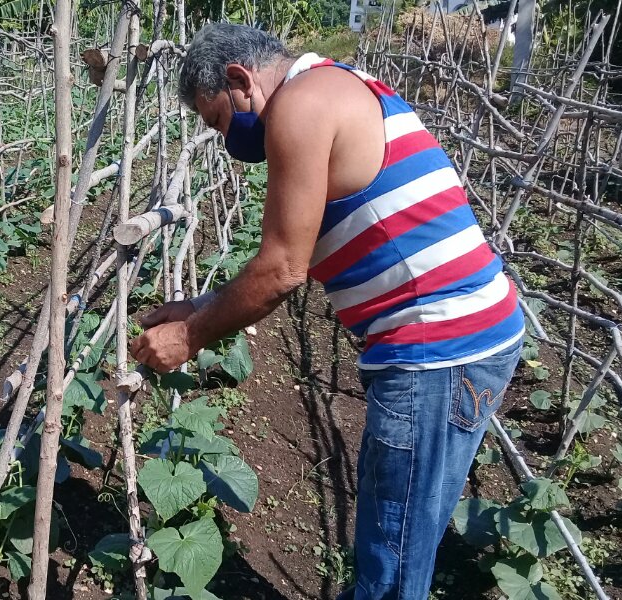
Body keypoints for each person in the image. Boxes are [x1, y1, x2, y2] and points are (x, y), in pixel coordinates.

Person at [129, 22, 524, 600]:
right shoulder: (340, 85)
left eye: (217, 119)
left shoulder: (300, 105)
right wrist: (204, 304)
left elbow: (283, 267)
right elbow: (308, 250)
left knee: (392, 555)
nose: (224, 138)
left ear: (240, 80)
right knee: (401, 529)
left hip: (437, 350)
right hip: (464, 340)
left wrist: (189, 334)